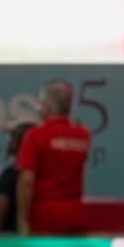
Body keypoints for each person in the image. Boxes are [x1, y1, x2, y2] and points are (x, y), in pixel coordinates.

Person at [17, 81, 92, 236]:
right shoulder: (83, 135)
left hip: (45, 215)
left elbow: (27, 180)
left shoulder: (35, 136)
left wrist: (22, 220)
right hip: (75, 212)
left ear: (48, 106)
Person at [0, 124, 30, 234]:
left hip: (11, 244)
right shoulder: (42, 176)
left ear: (18, 144)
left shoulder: (10, 176)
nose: (9, 142)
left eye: (12, 138)